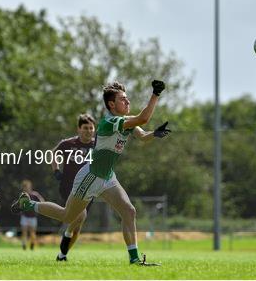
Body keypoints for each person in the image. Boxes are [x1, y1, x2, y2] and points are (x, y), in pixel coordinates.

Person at [12, 80, 170, 265]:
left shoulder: (126, 122)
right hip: (91, 176)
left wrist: (155, 134)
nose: (127, 102)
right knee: (67, 216)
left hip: (108, 177)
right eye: (123, 99)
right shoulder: (110, 122)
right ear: (111, 104)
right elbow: (143, 119)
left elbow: (143, 136)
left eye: (127, 99)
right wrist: (155, 94)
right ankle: (29, 204)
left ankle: (134, 259)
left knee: (129, 211)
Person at [51, 113, 96, 261]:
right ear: (78, 129)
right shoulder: (68, 144)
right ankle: (66, 233)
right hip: (68, 187)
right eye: (85, 128)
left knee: (78, 226)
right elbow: (53, 154)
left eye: (91, 128)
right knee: (81, 215)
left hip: (89, 188)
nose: (88, 131)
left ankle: (62, 255)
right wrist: (56, 169)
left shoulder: (98, 145)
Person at [19, 180, 44, 250]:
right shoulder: (22, 195)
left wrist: (38, 208)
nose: (25, 188)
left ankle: (32, 244)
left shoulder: (35, 194)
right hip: (25, 216)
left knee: (32, 232)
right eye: (24, 187)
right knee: (24, 232)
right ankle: (24, 245)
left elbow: (42, 201)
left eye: (27, 187)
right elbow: (20, 205)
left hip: (33, 217)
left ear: (30, 187)